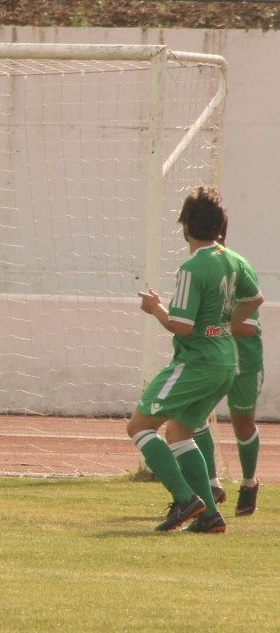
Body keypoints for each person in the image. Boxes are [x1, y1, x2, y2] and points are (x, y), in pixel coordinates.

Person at [125, 186, 263, 534]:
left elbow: (183, 326)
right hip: (224, 362)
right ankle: (210, 515)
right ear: (220, 226)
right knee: (180, 431)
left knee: (140, 426)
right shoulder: (235, 260)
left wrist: (156, 309)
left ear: (186, 227)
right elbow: (255, 298)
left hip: (196, 361)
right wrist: (227, 324)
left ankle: (185, 498)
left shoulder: (192, 267)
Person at [190, 222, 264, 517]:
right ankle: (211, 484)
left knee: (242, 422)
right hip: (211, 359)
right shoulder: (200, 271)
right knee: (192, 416)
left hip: (244, 361)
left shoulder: (239, 268)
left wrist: (215, 325)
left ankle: (249, 483)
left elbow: (249, 326)